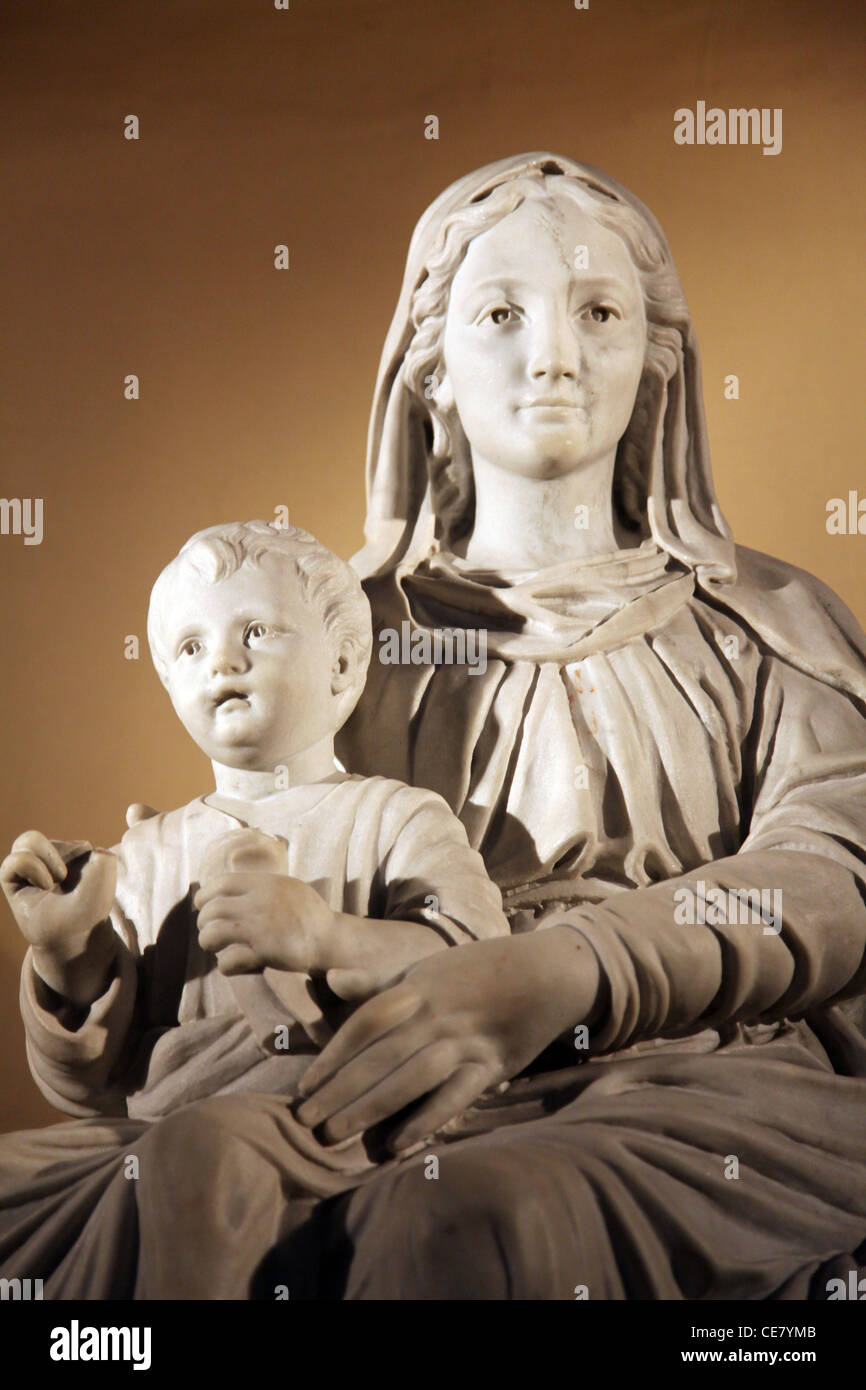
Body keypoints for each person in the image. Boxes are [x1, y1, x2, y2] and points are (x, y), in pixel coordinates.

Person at [286, 153, 866, 1299]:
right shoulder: (339, 637)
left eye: (598, 312)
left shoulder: (768, 624)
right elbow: (237, 875)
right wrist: (83, 977)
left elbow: (828, 876)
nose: (551, 354)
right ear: (430, 367)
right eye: (500, 313)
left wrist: (570, 969)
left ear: (654, 363)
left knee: (463, 1219)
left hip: (699, 1073)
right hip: (389, 1056)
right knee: (102, 1198)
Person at [0, 520, 507, 1298]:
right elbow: (89, 1090)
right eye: (192, 649)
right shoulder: (144, 853)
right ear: (170, 684)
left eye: (257, 632)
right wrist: (70, 957)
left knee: (201, 1154)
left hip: (327, 1121)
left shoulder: (396, 818)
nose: (223, 662)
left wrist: (324, 935)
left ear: (343, 664)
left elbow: (481, 969)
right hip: (153, 1127)